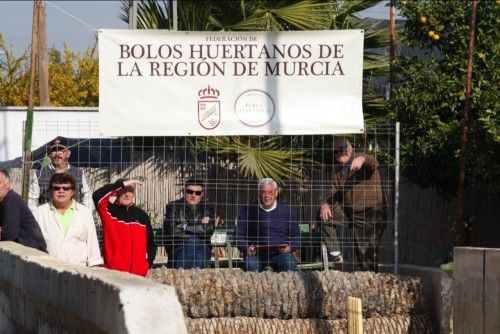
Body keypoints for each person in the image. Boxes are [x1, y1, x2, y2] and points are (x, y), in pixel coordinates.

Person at [319, 138, 387, 271]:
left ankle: (371, 287)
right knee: (324, 216)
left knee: (365, 257)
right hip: (351, 214)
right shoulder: (339, 173)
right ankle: (336, 254)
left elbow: (373, 162)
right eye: (335, 152)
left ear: (350, 148)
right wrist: (325, 204)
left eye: (341, 149)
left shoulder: (361, 159)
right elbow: (333, 193)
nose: (339, 153)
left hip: (371, 215)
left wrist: (362, 159)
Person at [34, 173, 102, 266]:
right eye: (56, 188)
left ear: (73, 192)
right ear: (50, 191)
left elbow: (92, 247)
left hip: (77, 273)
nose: (61, 191)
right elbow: (32, 245)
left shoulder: (85, 213)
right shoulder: (39, 213)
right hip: (47, 271)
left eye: (66, 188)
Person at [235, 178, 300, 272]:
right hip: (256, 254)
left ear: (276, 192)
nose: (267, 196)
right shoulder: (247, 210)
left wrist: (290, 247)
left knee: (289, 264)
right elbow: (238, 235)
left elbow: (297, 236)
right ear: (259, 193)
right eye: (263, 192)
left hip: (281, 254)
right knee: (251, 265)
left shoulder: (287, 210)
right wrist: (247, 248)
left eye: (270, 192)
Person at [93, 179, 156, 277]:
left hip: (139, 275)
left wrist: (147, 264)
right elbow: (97, 195)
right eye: (124, 190)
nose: (127, 194)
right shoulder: (108, 210)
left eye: (130, 191)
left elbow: (151, 243)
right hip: (115, 274)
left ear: (134, 195)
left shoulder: (142, 215)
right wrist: (121, 184)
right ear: (117, 191)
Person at [163, 178, 216, 269]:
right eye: (190, 191)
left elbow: (209, 230)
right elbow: (171, 231)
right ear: (184, 191)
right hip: (179, 247)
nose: (193, 195)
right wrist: (200, 227)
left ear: (202, 194)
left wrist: (183, 226)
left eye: (197, 193)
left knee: (194, 243)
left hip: (202, 248)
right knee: (193, 241)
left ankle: (181, 277)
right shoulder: (173, 206)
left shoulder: (208, 207)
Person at [28, 136, 92, 211]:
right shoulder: (39, 174)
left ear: (68, 154)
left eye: (61, 151)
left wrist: (85, 213)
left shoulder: (79, 173)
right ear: (49, 154)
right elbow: (31, 200)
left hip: (74, 217)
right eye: (54, 151)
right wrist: (38, 217)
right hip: (49, 216)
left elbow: (87, 195)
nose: (57, 154)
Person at [0, 169, 47, 252]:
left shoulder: (11, 200)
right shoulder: (4, 201)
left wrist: (3, 231)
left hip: (33, 255)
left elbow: (8, 234)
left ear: (8, 185)